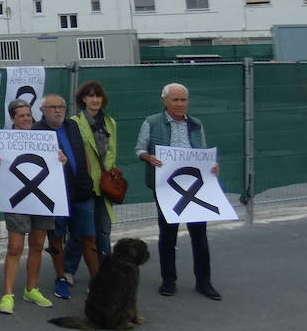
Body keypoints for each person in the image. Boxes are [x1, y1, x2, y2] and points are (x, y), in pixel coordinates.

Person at [137, 83, 222, 300]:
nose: (180, 104)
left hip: (194, 185)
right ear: (164, 101)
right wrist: (148, 157)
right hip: (166, 186)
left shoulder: (195, 124)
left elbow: (202, 152)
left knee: (199, 236)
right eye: (175, 100)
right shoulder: (152, 123)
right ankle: (168, 280)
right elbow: (140, 149)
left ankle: (204, 281)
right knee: (168, 235)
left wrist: (212, 166)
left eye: (183, 100)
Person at [0, 99, 65, 314]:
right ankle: (8, 294)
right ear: (13, 118)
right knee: (14, 248)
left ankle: (31, 289)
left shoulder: (45, 137)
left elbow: (57, 163)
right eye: (21, 115)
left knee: (38, 245)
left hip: (42, 200)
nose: (26, 118)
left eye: (28, 114)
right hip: (16, 200)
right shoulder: (4, 139)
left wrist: (61, 159)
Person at [39, 93, 98, 299]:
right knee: (56, 239)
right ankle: (61, 278)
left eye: (61, 107)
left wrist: (88, 179)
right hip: (54, 197)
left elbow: (84, 153)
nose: (58, 111)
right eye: (53, 107)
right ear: (42, 111)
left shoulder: (72, 126)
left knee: (88, 237)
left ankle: (96, 280)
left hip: (81, 192)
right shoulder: (36, 131)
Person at [68, 81, 117, 280]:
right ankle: (68, 269)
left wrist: (111, 175)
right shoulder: (74, 122)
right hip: (84, 184)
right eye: (90, 96)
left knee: (103, 231)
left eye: (98, 96)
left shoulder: (111, 122)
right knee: (83, 231)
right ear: (83, 99)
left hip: (105, 186)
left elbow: (113, 152)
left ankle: (105, 272)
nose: (95, 100)